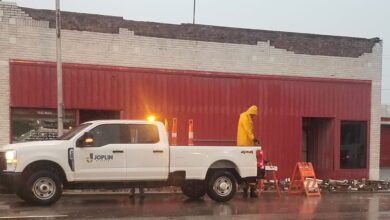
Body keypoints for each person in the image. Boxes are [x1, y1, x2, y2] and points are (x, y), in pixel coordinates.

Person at [237, 105, 259, 198]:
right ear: (250, 113)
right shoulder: (245, 118)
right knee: (248, 168)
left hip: (247, 146)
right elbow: (247, 130)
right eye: (253, 115)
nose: (254, 117)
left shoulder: (247, 118)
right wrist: (254, 139)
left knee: (249, 168)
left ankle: (249, 191)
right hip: (244, 146)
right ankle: (247, 191)